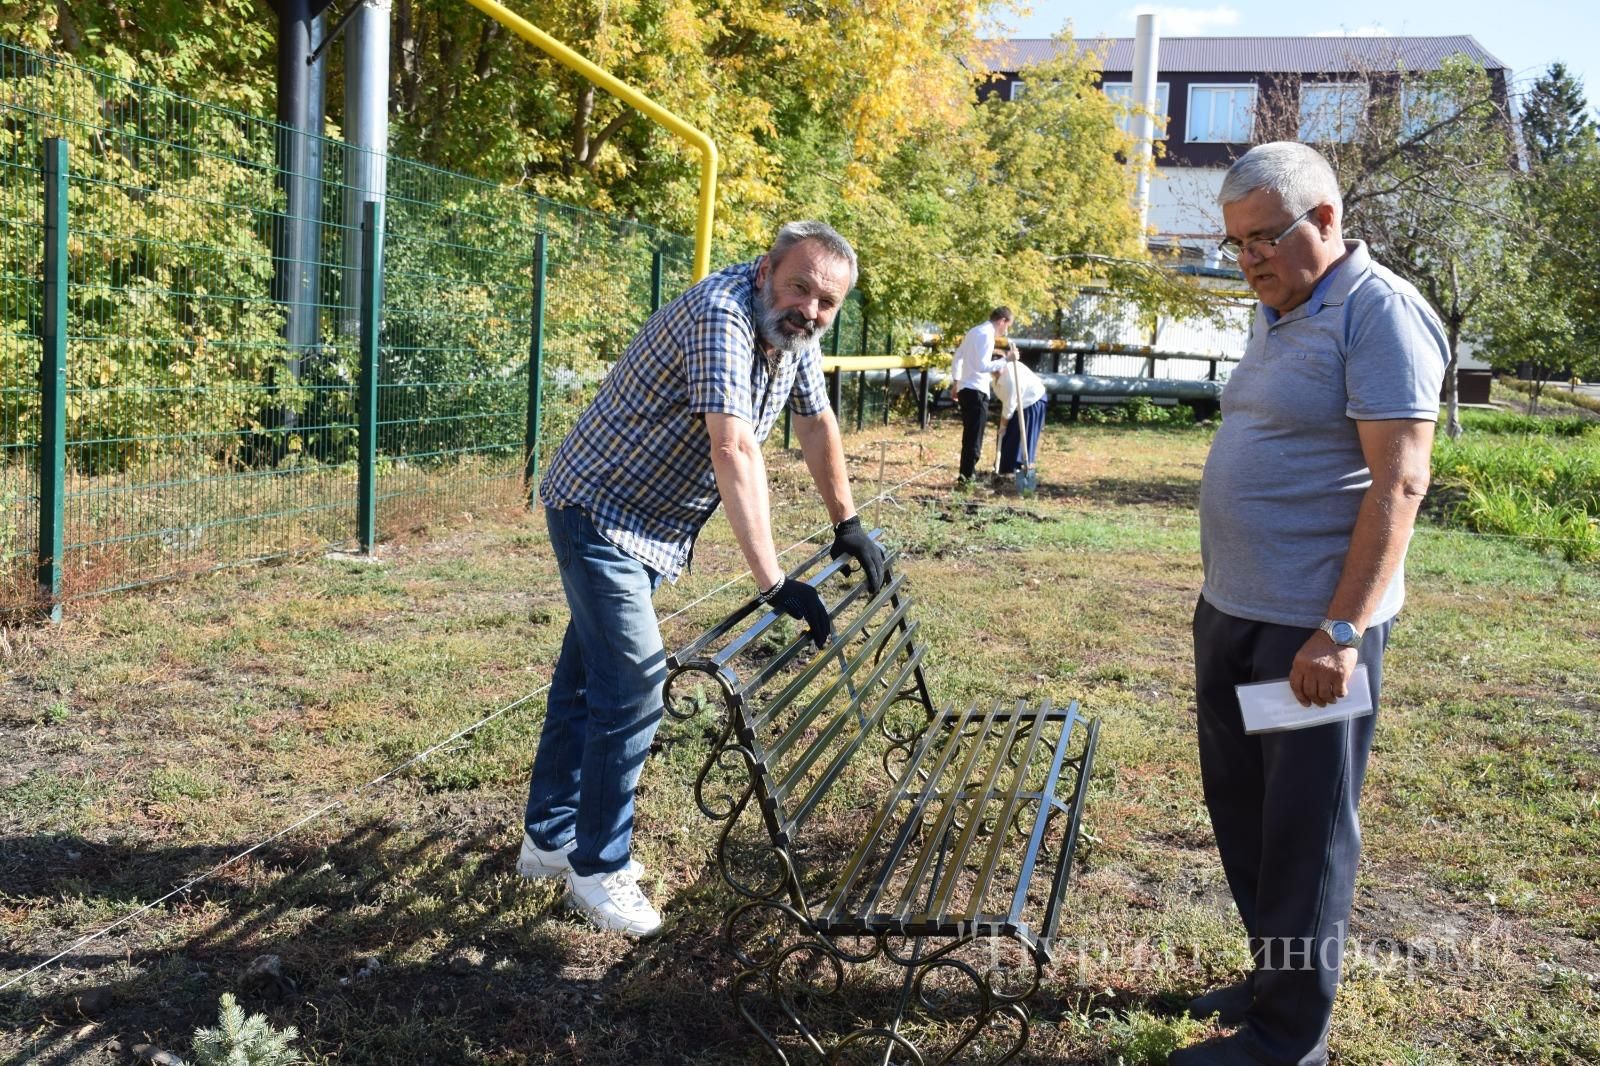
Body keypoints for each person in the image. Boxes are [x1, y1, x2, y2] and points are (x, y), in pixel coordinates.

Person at [519, 221, 889, 937]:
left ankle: (547, 841)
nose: (810, 309)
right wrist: (773, 580)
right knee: (631, 688)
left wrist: (848, 522)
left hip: (650, 525)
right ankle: (597, 869)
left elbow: (816, 425)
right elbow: (734, 444)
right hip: (598, 510)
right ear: (764, 272)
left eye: (826, 302)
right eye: (799, 287)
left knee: (584, 683)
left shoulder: (790, 337)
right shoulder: (721, 313)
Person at [1178, 142, 1447, 1066]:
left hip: (1312, 629)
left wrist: (1340, 632)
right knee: (1246, 809)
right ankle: (1272, 976)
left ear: (1324, 221)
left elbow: (1400, 483)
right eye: (1236, 243)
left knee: (1305, 828)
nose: (1246, 259)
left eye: (1262, 239)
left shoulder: (1380, 313)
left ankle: (1291, 1041)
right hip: (1237, 612)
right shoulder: (1283, 306)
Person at [948, 307, 1016, 486]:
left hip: (966, 388)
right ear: (1002, 321)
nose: (1006, 330)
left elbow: (958, 357)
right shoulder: (986, 335)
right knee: (974, 437)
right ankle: (967, 479)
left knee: (970, 435)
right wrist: (1006, 360)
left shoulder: (974, 331)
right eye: (1007, 326)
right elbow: (982, 366)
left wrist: (957, 381)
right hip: (976, 390)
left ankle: (966, 475)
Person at [992, 356, 1047, 479]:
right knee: (1006, 436)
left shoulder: (1010, 379)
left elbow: (1009, 407)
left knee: (1022, 438)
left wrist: (1003, 425)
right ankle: (1003, 468)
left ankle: (1018, 470)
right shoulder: (994, 377)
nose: (996, 371)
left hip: (1032, 401)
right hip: (1016, 403)